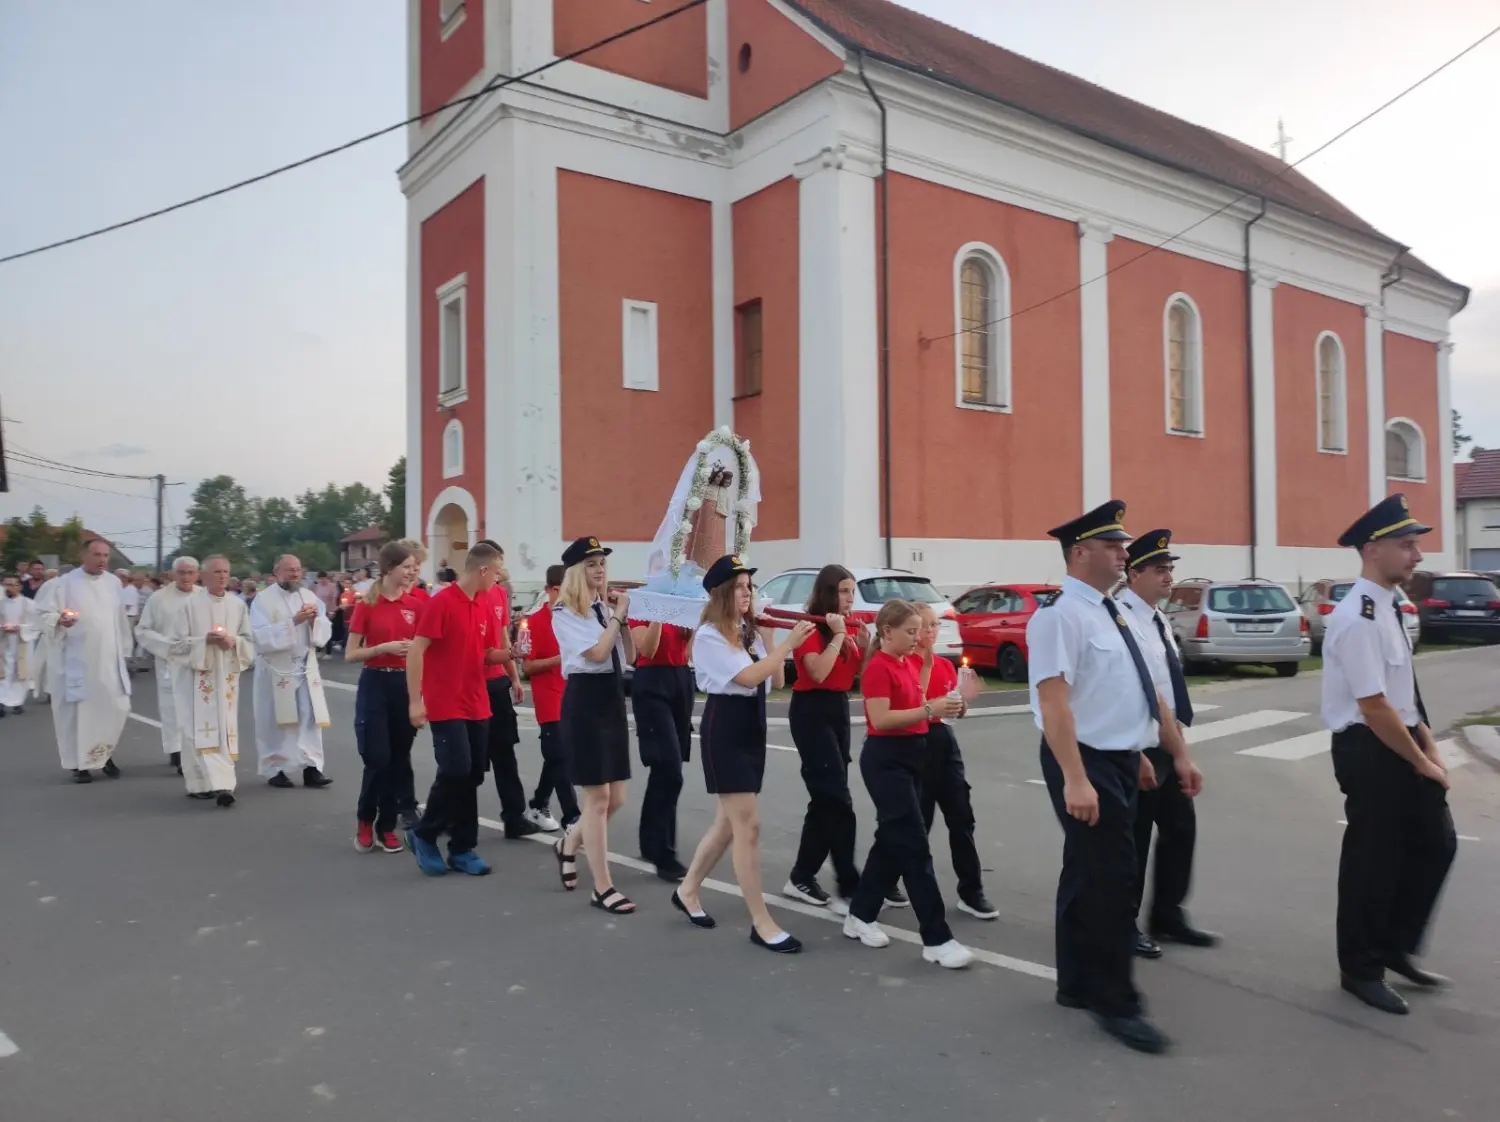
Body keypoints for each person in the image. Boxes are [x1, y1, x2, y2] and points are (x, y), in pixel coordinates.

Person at [1028, 500, 1201, 1054]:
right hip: (1082, 759)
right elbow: (1055, 705)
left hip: (1118, 757)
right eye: (1113, 546)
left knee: (1086, 873)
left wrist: (1142, 750)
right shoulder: (1061, 615)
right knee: (1112, 879)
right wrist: (1077, 779)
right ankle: (1116, 1001)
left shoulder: (1112, 611)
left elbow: (1130, 689)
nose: (1125, 553)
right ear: (1080, 553)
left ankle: (1076, 983)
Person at [1322, 494, 1457, 1015]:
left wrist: (1429, 743)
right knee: (1373, 862)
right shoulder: (1357, 615)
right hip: (1369, 749)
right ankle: (1360, 967)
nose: (1417, 555)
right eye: (1407, 545)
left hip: (1399, 742)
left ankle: (1395, 944)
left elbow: (1403, 693)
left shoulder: (1389, 608)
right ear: (1373, 549)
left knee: (1436, 843)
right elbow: (1374, 706)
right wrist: (1421, 763)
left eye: (1416, 545)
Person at [673, 556, 815, 951]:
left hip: (752, 724)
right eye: (739, 588)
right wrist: (788, 642)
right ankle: (761, 921)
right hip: (726, 728)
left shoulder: (746, 632)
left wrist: (770, 634)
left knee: (727, 823)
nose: (747, 594)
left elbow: (776, 679)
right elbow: (747, 677)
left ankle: (687, 890)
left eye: (749, 587)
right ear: (721, 594)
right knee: (747, 827)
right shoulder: (708, 637)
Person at [840, 600, 975, 969]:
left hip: (914, 757)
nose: (919, 638)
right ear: (887, 632)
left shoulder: (909, 662)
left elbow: (924, 699)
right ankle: (937, 938)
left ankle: (860, 914)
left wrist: (946, 704)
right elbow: (881, 719)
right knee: (914, 847)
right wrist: (930, 709)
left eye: (921, 630)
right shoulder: (877, 668)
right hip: (886, 761)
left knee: (891, 840)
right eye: (911, 631)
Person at [1117, 529, 1217, 958]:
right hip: (1138, 744)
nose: (1169, 577)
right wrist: (1139, 750)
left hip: (1166, 740)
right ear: (1134, 573)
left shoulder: (1157, 619)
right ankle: (1124, 923)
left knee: (1180, 828)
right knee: (1134, 840)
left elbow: (1167, 693)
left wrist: (1181, 754)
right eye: (1160, 569)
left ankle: (1168, 915)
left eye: (1171, 569)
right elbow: (1129, 693)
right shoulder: (1122, 618)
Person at [405, 542, 505, 878]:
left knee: (473, 774)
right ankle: (424, 833)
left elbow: (487, 653)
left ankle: (462, 848)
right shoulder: (443, 602)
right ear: (483, 570)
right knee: (455, 769)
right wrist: (416, 700)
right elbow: (417, 650)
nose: (499, 578)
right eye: (497, 571)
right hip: (446, 702)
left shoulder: (483, 604)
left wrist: (513, 654)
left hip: (477, 701)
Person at [550, 537, 636, 914]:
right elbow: (598, 653)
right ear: (575, 571)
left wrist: (624, 619)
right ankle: (602, 887)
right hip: (585, 700)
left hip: (611, 698)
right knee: (597, 799)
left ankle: (569, 843)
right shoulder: (564, 611)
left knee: (616, 798)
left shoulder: (604, 608)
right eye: (591, 564)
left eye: (602, 563)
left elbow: (629, 656)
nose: (600, 570)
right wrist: (618, 616)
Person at [784, 564, 869, 913]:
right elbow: (817, 672)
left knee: (826, 801)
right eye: (844, 591)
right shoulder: (808, 627)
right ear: (828, 593)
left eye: (852, 591)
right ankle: (848, 881)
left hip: (838, 708)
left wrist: (865, 644)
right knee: (837, 799)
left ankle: (802, 876)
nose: (850, 598)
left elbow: (858, 674)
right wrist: (836, 636)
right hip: (810, 711)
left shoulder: (845, 627)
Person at [910, 602, 994, 920]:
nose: (933, 631)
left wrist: (962, 702)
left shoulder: (945, 666)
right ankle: (888, 879)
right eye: (927, 625)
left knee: (962, 818)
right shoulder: (909, 664)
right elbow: (915, 704)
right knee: (917, 822)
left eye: (935, 625)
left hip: (945, 747)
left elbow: (954, 711)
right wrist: (941, 704)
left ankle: (971, 891)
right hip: (918, 746)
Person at [347, 542, 423, 853]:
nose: (411, 572)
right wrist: (382, 649)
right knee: (377, 758)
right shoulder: (367, 603)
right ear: (389, 568)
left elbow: (423, 650)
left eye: (413, 566)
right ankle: (365, 819)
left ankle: (387, 825)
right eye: (406, 566)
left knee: (398, 759)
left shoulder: (415, 605)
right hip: (375, 682)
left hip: (404, 684)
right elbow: (352, 653)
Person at [38, 539, 134, 783]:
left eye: (105, 555)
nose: (102, 560)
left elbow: (119, 618)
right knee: (77, 715)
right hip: (75, 662)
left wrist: (124, 649)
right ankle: (79, 765)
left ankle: (103, 755)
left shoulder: (113, 583)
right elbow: (42, 614)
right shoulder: (62, 584)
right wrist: (59, 620)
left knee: (115, 708)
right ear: (84, 555)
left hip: (108, 660)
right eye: (97, 554)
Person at [165, 555, 254, 807]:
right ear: (203, 576)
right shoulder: (189, 606)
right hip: (195, 678)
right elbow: (176, 645)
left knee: (223, 730)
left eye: (226, 571)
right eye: (216, 572)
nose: (223, 576)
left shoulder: (237, 605)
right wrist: (204, 641)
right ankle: (200, 783)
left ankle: (222, 784)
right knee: (195, 730)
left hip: (225, 678)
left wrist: (233, 642)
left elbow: (248, 639)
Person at [250, 554, 334, 789]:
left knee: (310, 717)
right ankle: (274, 768)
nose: (295, 574)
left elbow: (324, 630)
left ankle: (311, 767)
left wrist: (313, 623)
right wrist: (294, 621)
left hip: (305, 666)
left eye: (298, 569)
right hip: (276, 669)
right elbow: (259, 635)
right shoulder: (263, 601)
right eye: (289, 570)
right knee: (275, 719)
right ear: (276, 573)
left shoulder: (309, 596)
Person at [473, 539, 539, 840]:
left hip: (497, 682)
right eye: (497, 566)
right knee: (470, 761)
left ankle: (514, 816)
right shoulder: (468, 595)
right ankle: (451, 814)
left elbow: (502, 640)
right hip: (473, 684)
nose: (500, 574)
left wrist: (513, 677)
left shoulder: (499, 594)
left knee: (505, 753)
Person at [629, 613, 695, 882]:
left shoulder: (681, 603)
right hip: (651, 681)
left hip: (680, 678)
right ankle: (663, 854)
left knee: (669, 767)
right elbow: (647, 649)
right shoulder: (642, 605)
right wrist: (659, 612)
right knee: (669, 769)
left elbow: (686, 649)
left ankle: (651, 842)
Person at [521, 565, 577, 834]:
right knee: (560, 755)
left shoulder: (576, 620)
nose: (562, 596)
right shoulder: (535, 622)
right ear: (549, 590)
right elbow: (528, 667)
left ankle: (538, 803)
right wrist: (560, 658)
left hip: (573, 697)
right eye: (558, 590)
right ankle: (573, 818)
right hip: (549, 697)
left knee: (556, 757)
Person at [135, 556, 201, 774]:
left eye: (191, 572)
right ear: (173, 574)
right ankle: (177, 752)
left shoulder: (204, 596)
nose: (186, 577)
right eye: (182, 573)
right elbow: (143, 630)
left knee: (198, 709)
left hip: (199, 663)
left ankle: (198, 751)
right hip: (170, 662)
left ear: (198, 573)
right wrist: (167, 646)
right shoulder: (158, 598)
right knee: (173, 708)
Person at [1, 575, 39, 715]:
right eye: (7, 584)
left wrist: (20, 628)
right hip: (5, 642)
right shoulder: (1, 604)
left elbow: (36, 623)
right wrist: (3, 627)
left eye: (12, 584)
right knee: (5, 673)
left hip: (22, 642)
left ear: (20, 586)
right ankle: (2, 702)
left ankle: (18, 702)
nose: (9, 587)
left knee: (21, 673)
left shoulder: (28, 604)